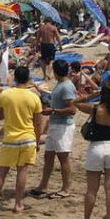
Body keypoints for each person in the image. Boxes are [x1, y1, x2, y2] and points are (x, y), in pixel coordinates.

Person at [0, 66, 42, 213]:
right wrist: (37, 141)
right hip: (28, 137)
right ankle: (18, 204)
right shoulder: (34, 97)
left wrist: (10, 112)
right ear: (28, 78)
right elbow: (38, 123)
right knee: (22, 172)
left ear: (15, 78)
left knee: (2, 172)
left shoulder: (6, 94)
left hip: (11, 137)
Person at [73, 81, 110, 219]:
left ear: (103, 93)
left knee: (91, 189)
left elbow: (74, 102)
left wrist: (94, 94)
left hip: (96, 148)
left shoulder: (96, 109)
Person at [30, 59, 77, 200]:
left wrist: (53, 110)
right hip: (56, 124)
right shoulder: (61, 84)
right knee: (48, 156)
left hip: (63, 126)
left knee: (63, 157)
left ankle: (66, 188)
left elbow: (72, 109)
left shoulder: (66, 86)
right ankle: (43, 186)